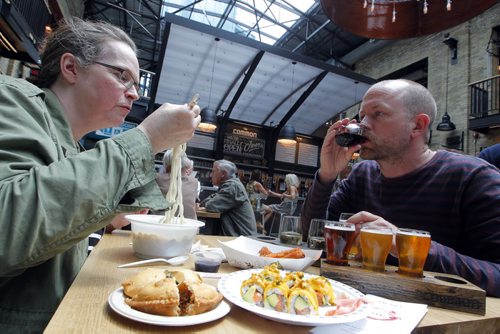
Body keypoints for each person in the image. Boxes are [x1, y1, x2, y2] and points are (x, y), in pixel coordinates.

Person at [0, 17, 201, 332]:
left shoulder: (73, 144)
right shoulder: (11, 98)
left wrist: (105, 217)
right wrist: (147, 139)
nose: (133, 94)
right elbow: (7, 228)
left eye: (136, 83)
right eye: (122, 76)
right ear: (71, 68)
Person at [301, 79, 500, 297]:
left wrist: (407, 246)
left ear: (418, 125)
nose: (363, 123)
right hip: (358, 308)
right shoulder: (362, 175)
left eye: (378, 114)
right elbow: (313, 238)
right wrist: (327, 176)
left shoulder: (473, 178)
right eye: (362, 115)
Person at [200, 160, 257, 236]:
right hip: (237, 237)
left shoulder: (232, 187)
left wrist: (210, 201)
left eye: (213, 172)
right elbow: (204, 203)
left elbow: (211, 205)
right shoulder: (230, 185)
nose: (210, 175)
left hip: (241, 240)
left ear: (223, 174)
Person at [155, 149, 199, 220]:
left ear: (167, 165)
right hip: (189, 226)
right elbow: (196, 205)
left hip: (162, 224)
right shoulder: (195, 182)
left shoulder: (158, 179)